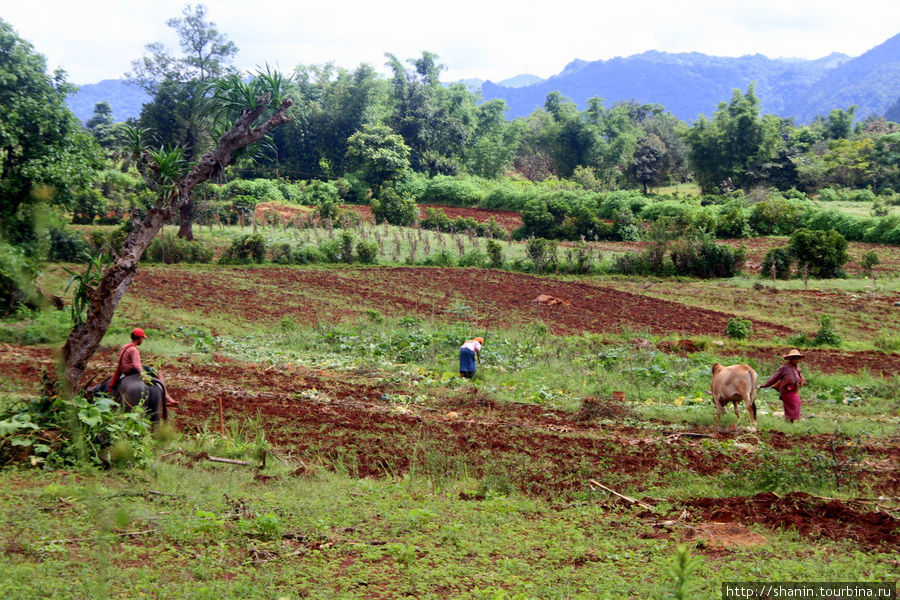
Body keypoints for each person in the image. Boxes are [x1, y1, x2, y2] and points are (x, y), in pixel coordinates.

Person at [111, 327, 178, 407]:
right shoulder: (134, 350)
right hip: (131, 370)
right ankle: (166, 396)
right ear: (139, 338)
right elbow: (137, 365)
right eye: (142, 338)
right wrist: (143, 374)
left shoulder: (126, 346)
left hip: (124, 369)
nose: (142, 340)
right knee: (158, 372)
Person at [759, 348, 807, 422]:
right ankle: (790, 420)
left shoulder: (797, 368)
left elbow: (801, 376)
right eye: (795, 358)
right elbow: (774, 378)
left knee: (796, 403)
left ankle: (791, 421)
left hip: (794, 390)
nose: (797, 360)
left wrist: (803, 381)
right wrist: (765, 385)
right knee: (794, 403)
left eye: (798, 358)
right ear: (791, 359)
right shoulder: (784, 368)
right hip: (786, 390)